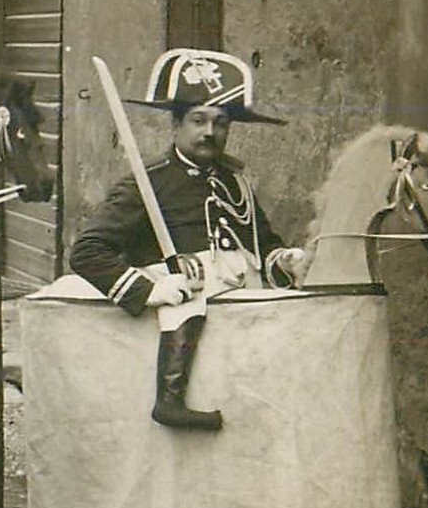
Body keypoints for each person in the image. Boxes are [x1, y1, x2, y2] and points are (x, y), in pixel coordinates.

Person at [68, 48, 310, 432]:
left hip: (241, 309)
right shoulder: (149, 183)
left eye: (220, 123)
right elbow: (87, 252)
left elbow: (264, 245)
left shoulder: (236, 182)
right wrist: (152, 289)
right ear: (176, 125)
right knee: (194, 283)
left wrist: (285, 260)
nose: (209, 132)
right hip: (183, 301)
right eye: (198, 120)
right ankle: (170, 400)